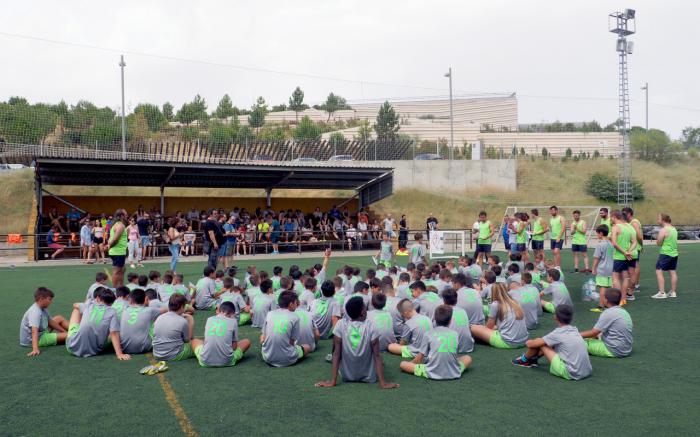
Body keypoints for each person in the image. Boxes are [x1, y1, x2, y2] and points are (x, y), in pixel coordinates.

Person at [315, 296, 399, 389]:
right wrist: (383, 383)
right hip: (369, 377)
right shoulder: (371, 326)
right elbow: (377, 355)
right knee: (380, 359)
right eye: (364, 307)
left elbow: (336, 354)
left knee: (334, 355)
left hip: (346, 376)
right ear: (362, 312)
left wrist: (332, 381)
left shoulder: (340, 324)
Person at [512, 304, 592, 380]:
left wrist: (528, 341)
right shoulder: (575, 330)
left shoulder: (558, 333)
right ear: (571, 318)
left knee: (542, 343)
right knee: (547, 342)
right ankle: (533, 359)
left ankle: (524, 360)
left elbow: (531, 344)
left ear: (555, 317)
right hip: (587, 371)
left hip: (571, 373)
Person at [399, 305, 472, 380]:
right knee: (468, 358)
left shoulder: (428, 334)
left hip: (431, 371)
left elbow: (419, 359)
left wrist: (410, 364)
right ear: (450, 321)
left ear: (434, 318)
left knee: (403, 364)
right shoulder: (455, 334)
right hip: (453, 372)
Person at [65, 288, 130, 360]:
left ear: (98, 298)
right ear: (112, 302)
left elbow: (75, 305)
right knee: (112, 332)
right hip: (94, 351)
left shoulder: (89, 305)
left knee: (76, 310)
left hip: (72, 347)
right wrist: (119, 354)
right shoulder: (112, 312)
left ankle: (76, 331)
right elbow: (114, 333)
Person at [190, 301, 251, 367]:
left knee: (194, 341)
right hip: (227, 361)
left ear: (220, 310)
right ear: (231, 313)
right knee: (247, 342)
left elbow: (205, 342)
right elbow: (234, 347)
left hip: (205, 361)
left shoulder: (209, 319)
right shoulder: (233, 321)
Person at [260, 290, 313, 367]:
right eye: (296, 302)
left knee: (264, 339)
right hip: (287, 359)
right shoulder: (295, 317)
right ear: (291, 304)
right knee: (307, 347)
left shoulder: (270, 314)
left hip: (268, 357)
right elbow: (292, 342)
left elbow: (263, 336)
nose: (297, 304)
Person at [470, 283, 528, 349]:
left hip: (508, 342)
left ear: (493, 292)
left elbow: (489, 326)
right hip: (523, 340)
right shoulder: (515, 302)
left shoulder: (495, 304)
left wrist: (481, 327)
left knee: (473, 327)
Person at [580, 288, 633, 358]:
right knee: (597, 335)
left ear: (606, 300)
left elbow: (594, 332)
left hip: (615, 350)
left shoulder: (608, 313)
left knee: (578, 343)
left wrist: (575, 335)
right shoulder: (624, 311)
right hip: (626, 348)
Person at [20, 287, 69, 356]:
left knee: (59, 318)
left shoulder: (43, 308)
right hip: (36, 339)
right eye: (49, 299)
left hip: (42, 331)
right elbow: (34, 331)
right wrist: (35, 349)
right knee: (70, 336)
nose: (51, 301)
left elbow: (51, 322)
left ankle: (76, 331)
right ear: (41, 299)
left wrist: (63, 331)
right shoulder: (35, 312)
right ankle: (79, 335)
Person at [120, 288, 164, 354]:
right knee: (157, 321)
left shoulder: (125, 309)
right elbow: (166, 309)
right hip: (143, 348)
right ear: (145, 299)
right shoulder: (150, 310)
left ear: (131, 300)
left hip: (125, 348)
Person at [152, 294, 196, 361]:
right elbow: (188, 340)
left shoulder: (159, 317)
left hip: (156, 354)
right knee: (196, 343)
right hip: (173, 355)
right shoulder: (182, 321)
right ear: (182, 307)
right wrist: (191, 321)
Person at [610, 210, 636, 305]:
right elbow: (634, 242)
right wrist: (628, 251)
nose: (610, 219)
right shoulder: (629, 227)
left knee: (615, 278)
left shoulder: (615, 227)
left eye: (611, 217)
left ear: (614, 217)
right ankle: (623, 298)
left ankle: (618, 299)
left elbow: (614, 243)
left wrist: (625, 252)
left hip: (619, 256)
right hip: (627, 257)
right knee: (625, 277)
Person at [653, 213, 679, 299]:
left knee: (659, 270)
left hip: (665, 253)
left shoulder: (664, 230)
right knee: (672, 271)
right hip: (674, 253)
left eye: (659, 218)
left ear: (663, 220)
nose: (658, 220)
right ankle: (673, 292)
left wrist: (659, 241)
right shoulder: (674, 229)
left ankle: (662, 292)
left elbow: (658, 242)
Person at [440, 288, 474, 353]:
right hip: (468, 347)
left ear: (444, 300)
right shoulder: (463, 311)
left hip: (452, 348)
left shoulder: (444, 312)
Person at [591, 225, 614, 311]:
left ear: (601, 233)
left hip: (602, 269)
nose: (597, 235)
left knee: (602, 288)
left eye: (597, 234)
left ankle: (601, 306)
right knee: (608, 287)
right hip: (611, 269)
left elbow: (596, 258)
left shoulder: (600, 244)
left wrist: (593, 268)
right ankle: (609, 305)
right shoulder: (611, 244)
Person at [104, 209, 128, 288]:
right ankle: (114, 289)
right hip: (118, 252)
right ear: (121, 216)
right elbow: (115, 239)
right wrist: (109, 246)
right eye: (125, 214)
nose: (127, 215)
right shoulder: (120, 225)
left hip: (119, 251)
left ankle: (121, 286)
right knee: (117, 271)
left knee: (122, 269)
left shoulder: (116, 224)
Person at [623, 207, 643, 295]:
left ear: (629, 214)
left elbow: (639, 236)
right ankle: (634, 285)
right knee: (633, 268)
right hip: (633, 247)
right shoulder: (630, 222)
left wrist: (641, 246)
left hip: (635, 247)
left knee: (635, 267)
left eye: (625, 214)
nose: (623, 216)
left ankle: (635, 285)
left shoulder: (634, 222)